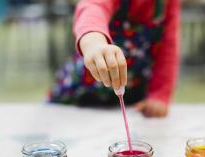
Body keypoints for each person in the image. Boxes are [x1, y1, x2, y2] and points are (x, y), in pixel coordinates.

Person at [49, 0, 180, 118]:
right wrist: (94, 42)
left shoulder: (168, 3)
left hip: (131, 99)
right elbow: (93, 7)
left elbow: (168, 47)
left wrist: (159, 94)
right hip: (80, 98)